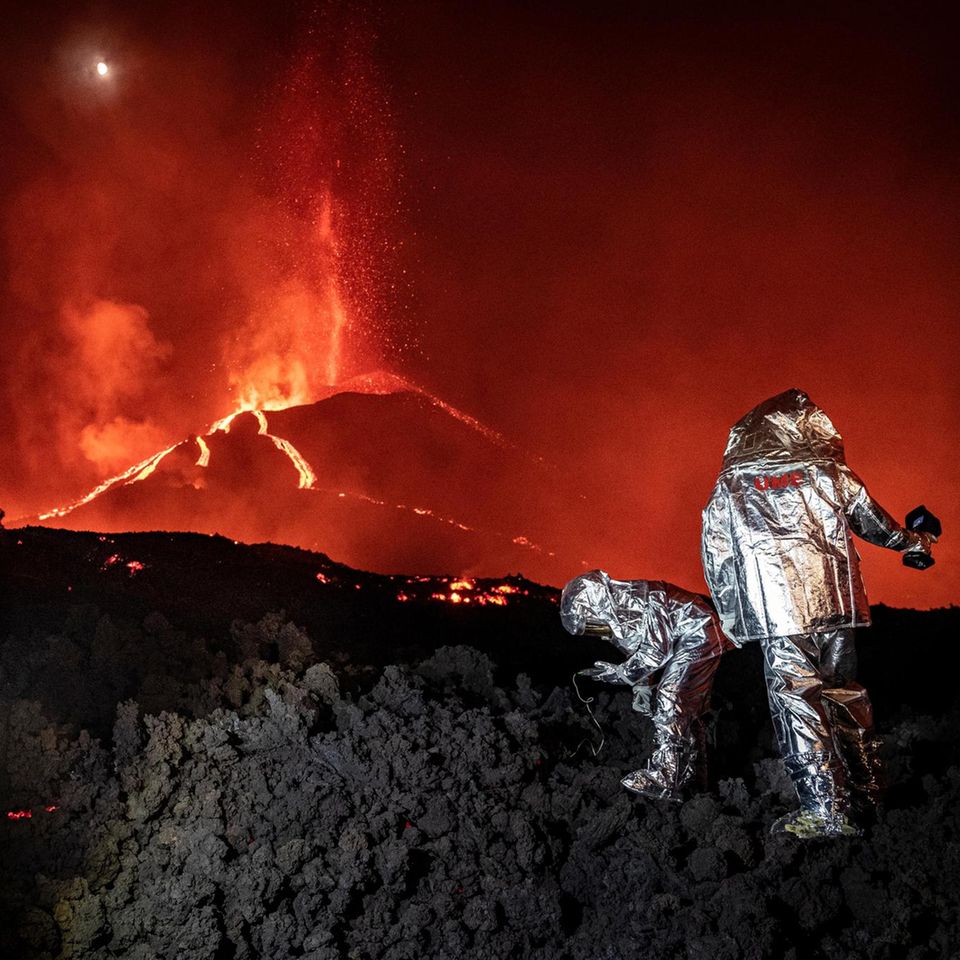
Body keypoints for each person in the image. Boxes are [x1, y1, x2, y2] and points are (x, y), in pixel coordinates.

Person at [701, 388, 936, 838]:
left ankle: (827, 812)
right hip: (837, 609)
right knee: (843, 692)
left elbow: (717, 558)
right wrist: (916, 543)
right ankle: (868, 788)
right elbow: (874, 523)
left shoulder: (730, 486)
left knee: (798, 703)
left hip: (778, 616)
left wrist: (733, 622)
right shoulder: (827, 471)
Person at [560, 570, 730, 801]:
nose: (596, 632)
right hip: (691, 636)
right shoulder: (617, 614)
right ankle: (696, 781)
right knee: (689, 714)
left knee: (671, 697)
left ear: (596, 606)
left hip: (699, 632)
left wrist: (621, 675)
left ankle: (666, 778)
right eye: (589, 631)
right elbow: (636, 650)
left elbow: (654, 652)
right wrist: (641, 686)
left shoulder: (640, 600)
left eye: (591, 625)